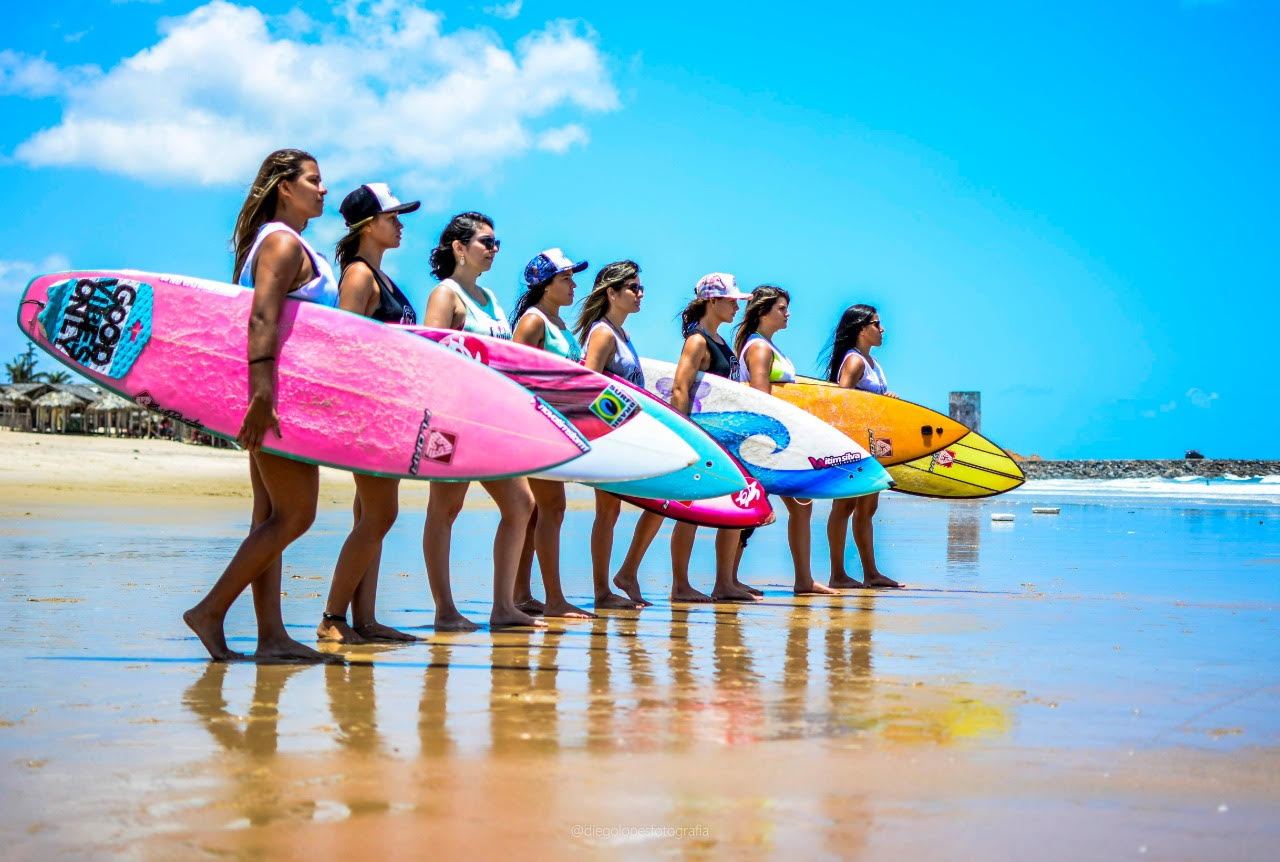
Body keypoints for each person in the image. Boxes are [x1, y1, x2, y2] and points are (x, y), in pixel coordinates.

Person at [184, 148, 338, 662]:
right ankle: (210, 610)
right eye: (314, 181)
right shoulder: (281, 243)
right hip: (279, 397)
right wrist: (262, 395)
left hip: (276, 393)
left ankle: (270, 636)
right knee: (296, 515)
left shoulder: (274, 242)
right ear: (284, 187)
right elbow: (261, 319)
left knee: (270, 515)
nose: (323, 190)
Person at [419, 212, 542, 630]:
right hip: (452, 420)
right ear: (459, 247)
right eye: (486, 242)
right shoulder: (446, 295)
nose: (493, 249)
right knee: (445, 510)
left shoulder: (490, 299)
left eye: (496, 243)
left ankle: (503, 607)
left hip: (491, 421)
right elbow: (431, 357)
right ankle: (445, 610)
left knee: (521, 504)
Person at [316, 183, 422, 644]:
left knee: (371, 517)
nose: (400, 223)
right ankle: (332, 618)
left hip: (391, 412)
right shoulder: (359, 276)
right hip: (369, 414)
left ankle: (365, 619)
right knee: (381, 515)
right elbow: (343, 346)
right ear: (367, 225)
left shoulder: (382, 278)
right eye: (393, 216)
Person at [611, 273, 759, 604]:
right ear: (712, 301)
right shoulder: (698, 341)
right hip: (698, 437)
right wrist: (684, 436)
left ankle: (724, 583)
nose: (737, 306)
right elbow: (680, 387)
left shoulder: (721, 342)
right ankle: (670, 582)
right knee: (677, 505)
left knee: (726, 505)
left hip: (723, 439)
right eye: (731, 300)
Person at [734, 285, 840, 596]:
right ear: (764, 312)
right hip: (766, 441)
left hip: (776, 438)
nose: (787, 313)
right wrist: (777, 444)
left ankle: (802, 580)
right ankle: (729, 579)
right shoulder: (759, 348)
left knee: (797, 509)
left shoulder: (767, 345)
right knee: (751, 509)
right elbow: (759, 395)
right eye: (781, 308)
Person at [510, 248, 595, 620]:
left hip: (558, 429)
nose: (573, 284)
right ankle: (555, 600)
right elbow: (513, 377)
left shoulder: (558, 324)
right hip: (535, 429)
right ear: (545, 285)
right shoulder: (533, 322)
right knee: (553, 509)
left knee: (537, 515)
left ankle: (522, 594)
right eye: (566, 278)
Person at [576, 261, 647, 611]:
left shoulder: (623, 334)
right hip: (608, 436)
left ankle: (616, 580)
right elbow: (589, 386)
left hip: (626, 436)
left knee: (613, 512)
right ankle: (603, 591)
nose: (639, 293)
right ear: (612, 293)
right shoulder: (603, 333)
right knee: (607, 513)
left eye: (640, 287)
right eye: (633, 287)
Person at [824, 304, 902, 589]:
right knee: (844, 507)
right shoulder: (854, 361)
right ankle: (837, 574)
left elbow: (870, 401)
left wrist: (886, 400)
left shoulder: (872, 362)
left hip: (872, 445)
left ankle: (871, 573)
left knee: (868, 508)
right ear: (861, 328)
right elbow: (841, 402)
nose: (882, 330)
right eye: (876, 324)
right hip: (852, 444)